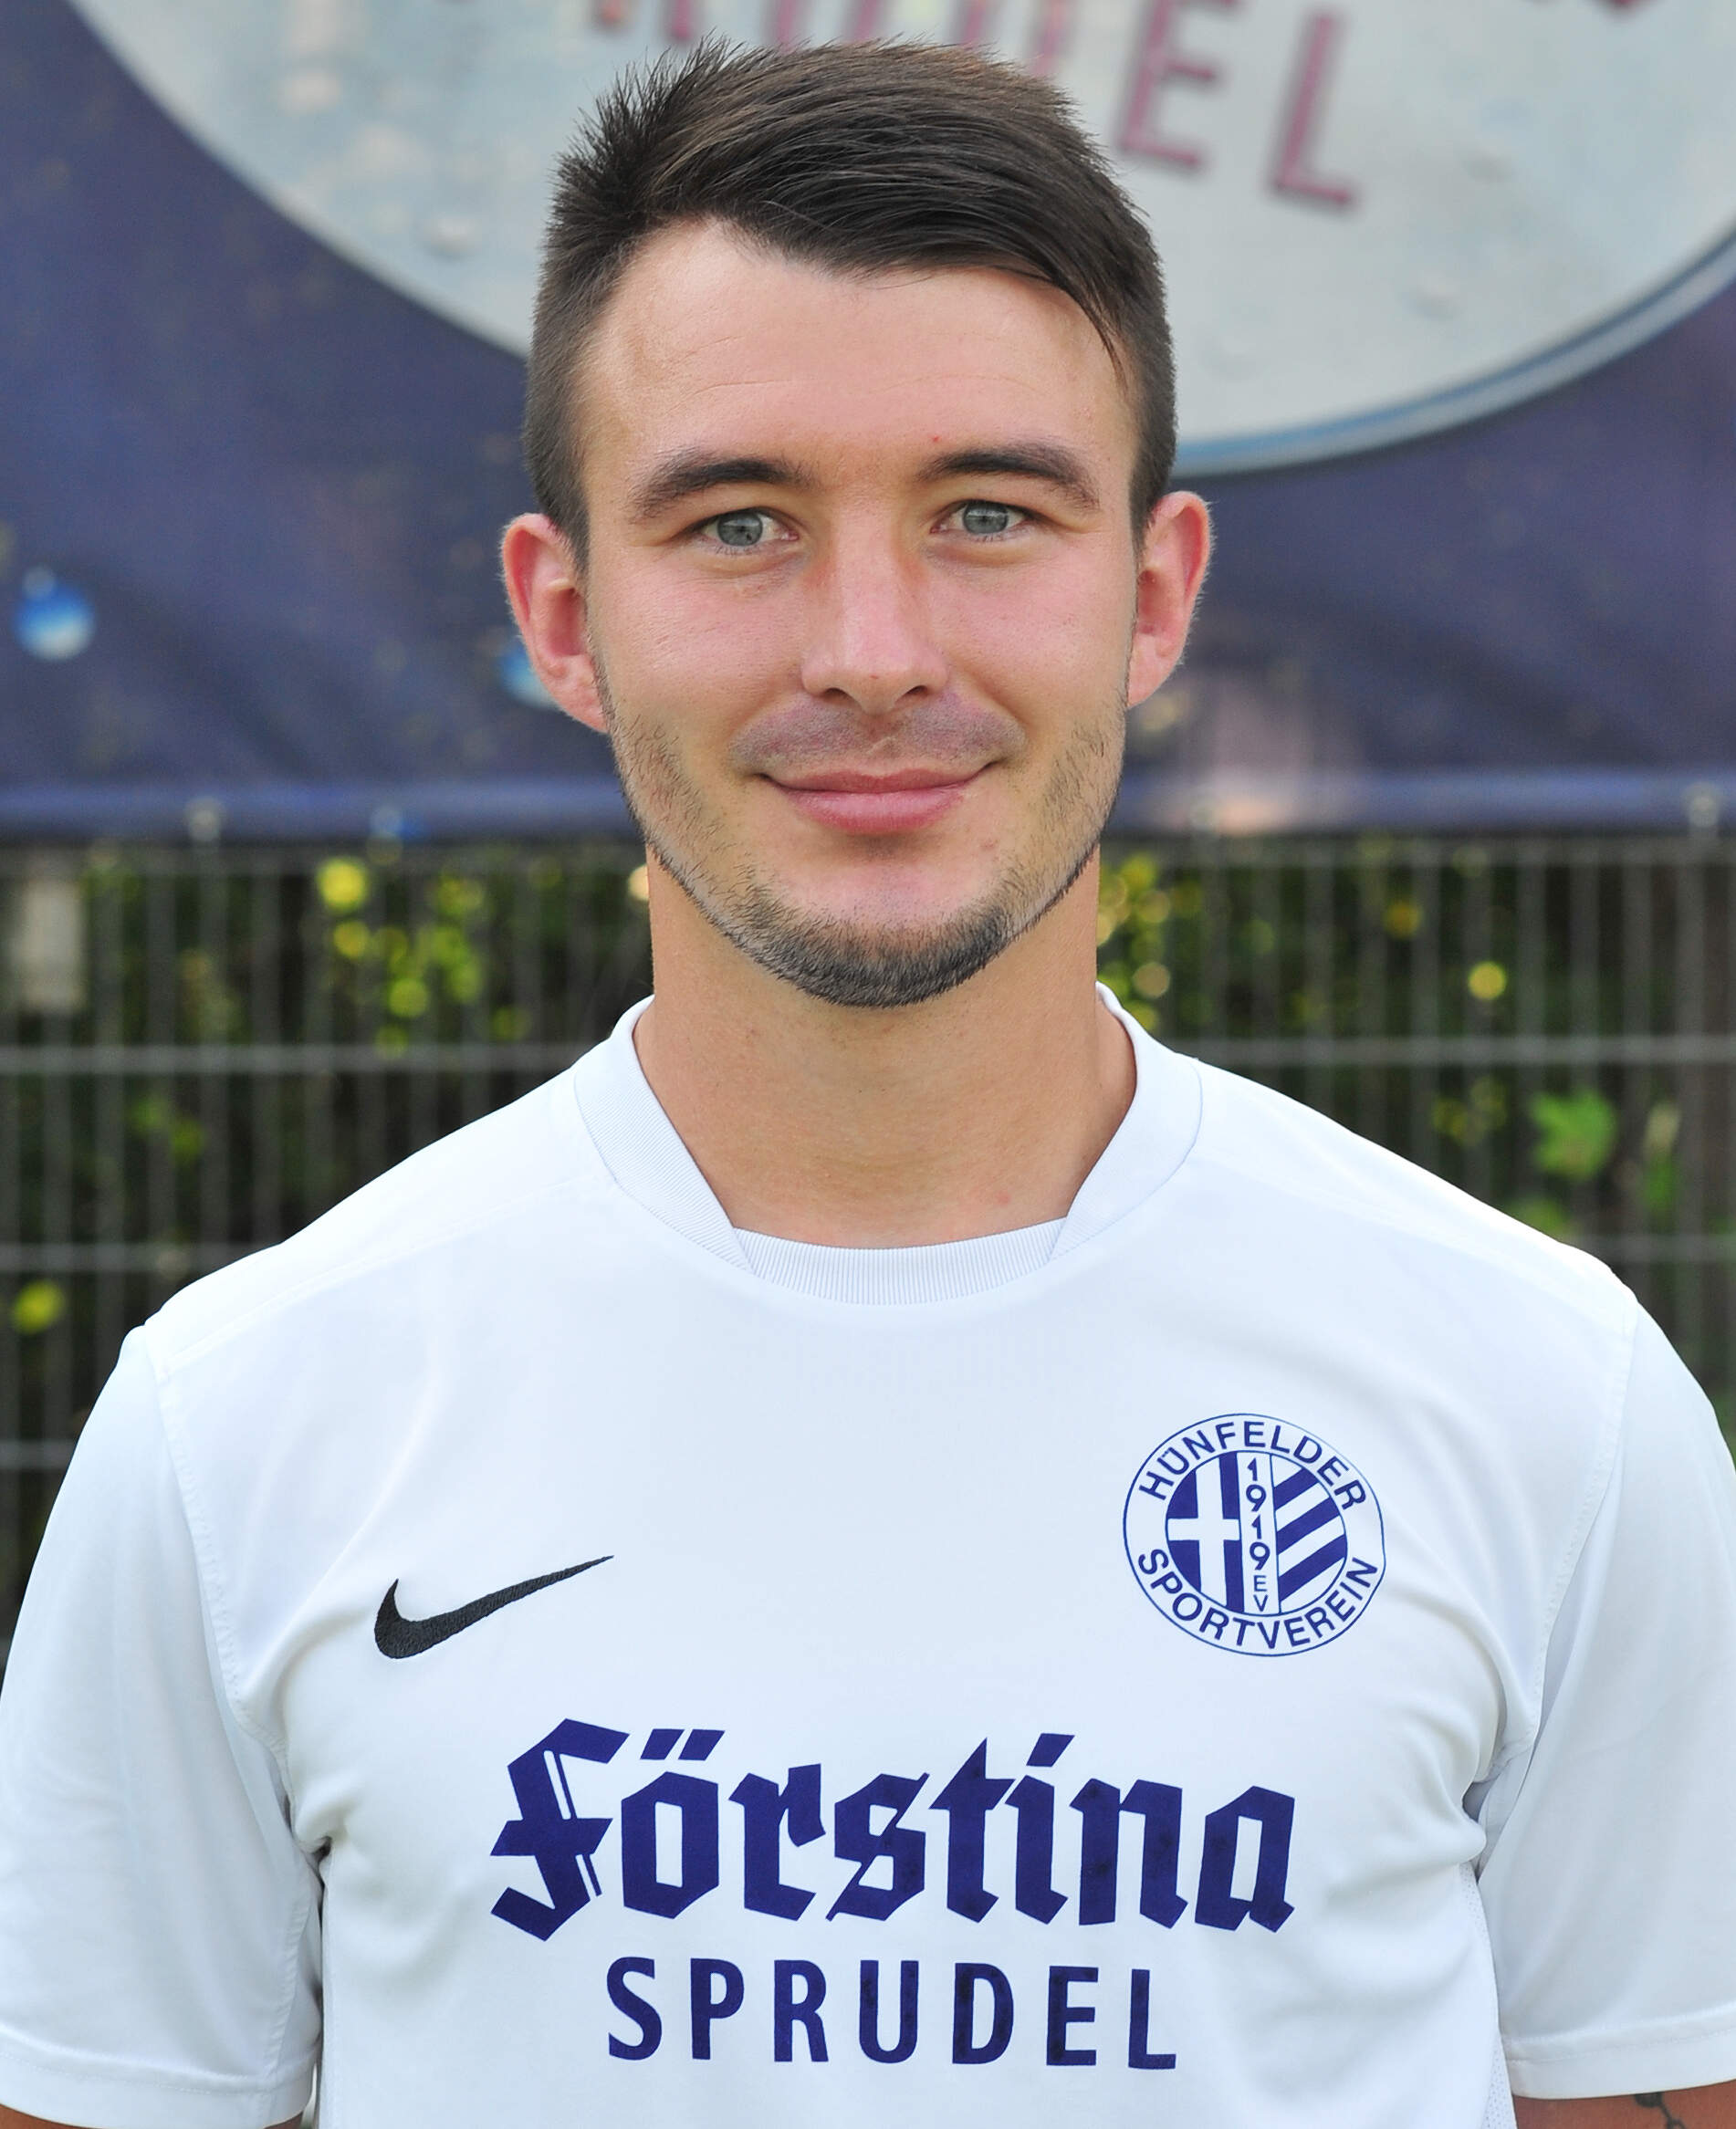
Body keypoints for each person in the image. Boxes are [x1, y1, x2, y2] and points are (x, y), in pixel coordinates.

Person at [1, 37, 1734, 2129]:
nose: (874, 649)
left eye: (988, 513)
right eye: (740, 523)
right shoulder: (246, 1426)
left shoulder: (1546, 1401)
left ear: (1154, 595)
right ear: (565, 616)